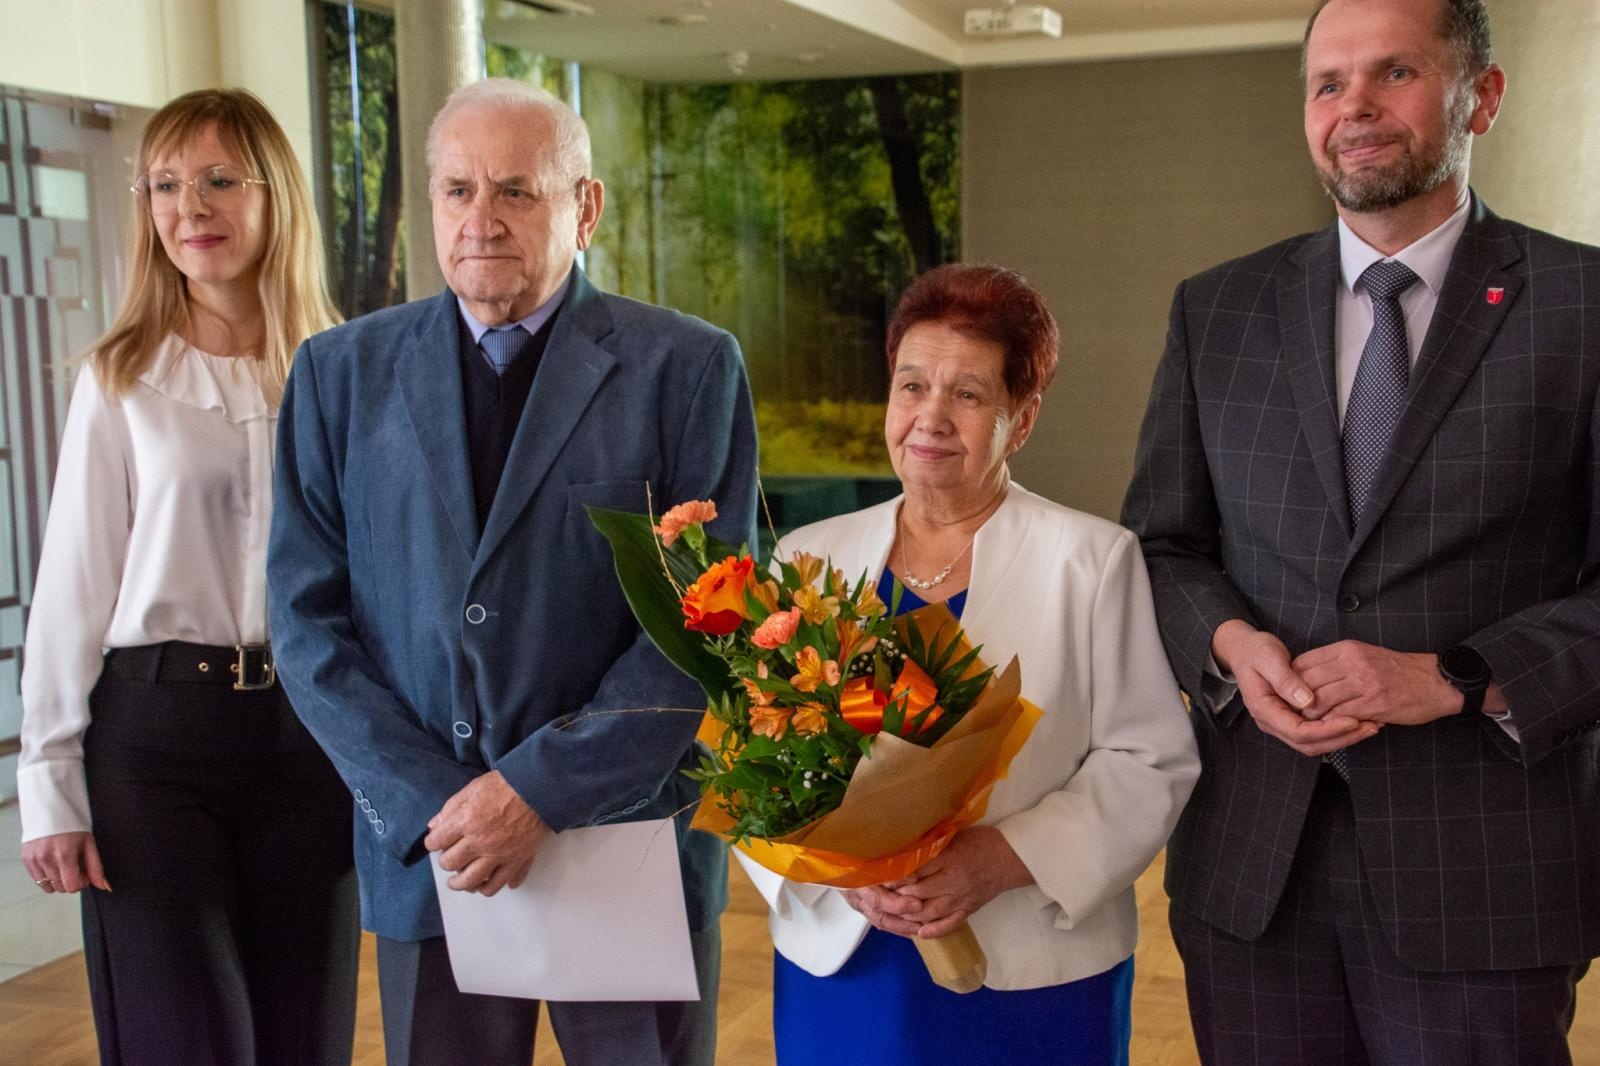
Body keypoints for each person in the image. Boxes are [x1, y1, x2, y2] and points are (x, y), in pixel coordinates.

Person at [1122, 0, 1600, 1061]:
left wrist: (1455, 676)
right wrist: (1233, 649)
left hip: (1483, 879)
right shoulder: (1219, 310)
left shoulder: (1582, 305)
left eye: (1394, 74)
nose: (1354, 109)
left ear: (1483, 94)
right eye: (1327, 83)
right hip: (1253, 871)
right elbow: (1163, 545)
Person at [267, 78, 758, 1066]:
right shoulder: (338, 375)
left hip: (627, 845)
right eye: (456, 190)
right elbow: (304, 622)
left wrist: (534, 790)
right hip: (433, 852)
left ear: (587, 205)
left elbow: (713, 620)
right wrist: (434, 805)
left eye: (516, 192)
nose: (480, 220)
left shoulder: (689, 369)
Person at [739, 263, 1200, 1065]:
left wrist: (1004, 858)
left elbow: (1149, 759)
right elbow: (750, 753)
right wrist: (837, 869)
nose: (931, 417)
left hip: (1031, 963)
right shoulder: (806, 557)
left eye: (969, 394)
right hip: (846, 955)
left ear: (1021, 421)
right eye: (911, 386)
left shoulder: (1092, 560)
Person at [15, 89, 358, 1065]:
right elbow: (71, 589)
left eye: (216, 180)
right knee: (188, 1043)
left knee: (305, 1041)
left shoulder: (341, 373)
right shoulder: (120, 377)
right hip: (154, 750)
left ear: (273, 197)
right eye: (165, 184)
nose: (188, 207)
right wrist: (48, 780)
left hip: (309, 744)